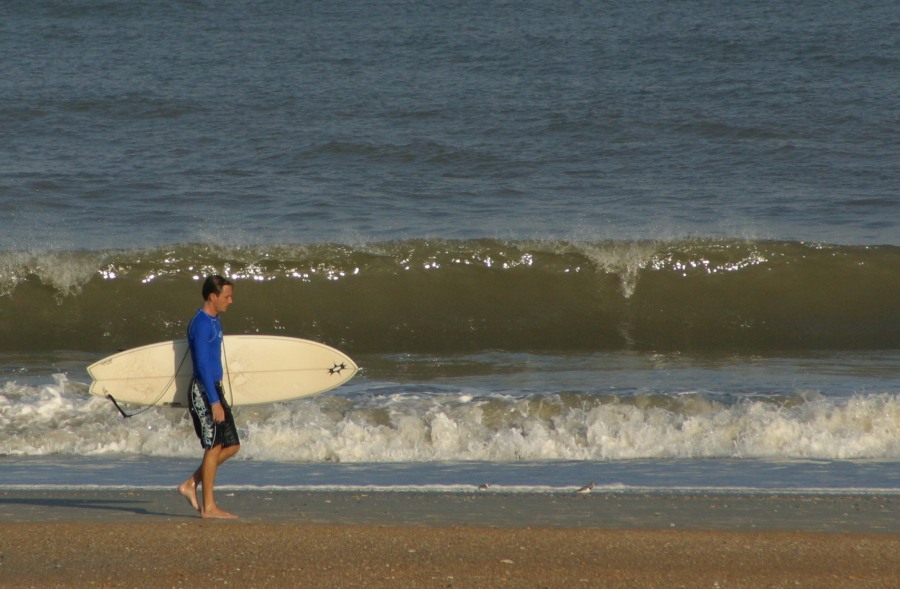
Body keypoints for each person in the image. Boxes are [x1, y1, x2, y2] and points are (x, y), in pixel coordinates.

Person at [178, 275, 241, 519]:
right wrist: (214, 401)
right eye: (227, 296)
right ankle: (209, 507)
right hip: (204, 392)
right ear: (212, 297)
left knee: (233, 444)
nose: (230, 301)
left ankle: (191, 484)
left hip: (214, 388)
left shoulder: (215, 320)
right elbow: (202, 365)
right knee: (213, 446)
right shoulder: (201, 324)